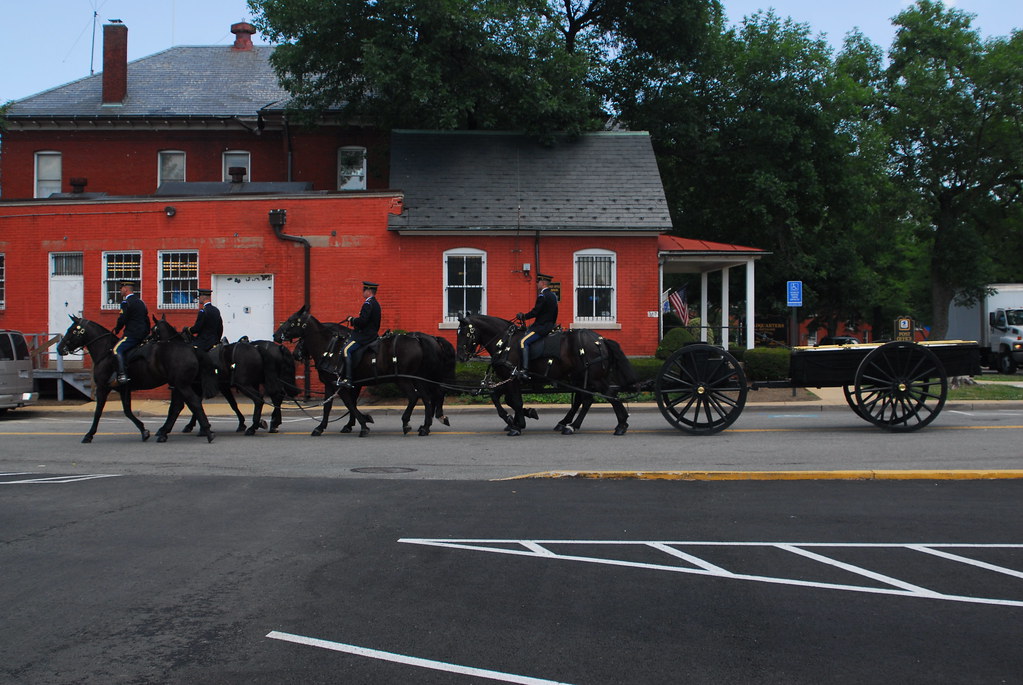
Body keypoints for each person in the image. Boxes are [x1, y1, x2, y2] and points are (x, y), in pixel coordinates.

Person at [340, 281, 381, 388]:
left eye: (364, 290)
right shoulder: (375, 303)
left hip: (365, 336)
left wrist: (352, 320)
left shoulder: (368, 304)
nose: (362, 292)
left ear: (368, 291)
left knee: (345, 350)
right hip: (371, 334)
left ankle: (348, 379)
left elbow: (363, 321)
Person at [516, 273, 558, 379]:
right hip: (548, 326)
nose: (537, 284)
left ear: (543, 283)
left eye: (538, 282)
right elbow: (555, 313)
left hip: (541, 327)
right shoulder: (553, 296)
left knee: (523, 342)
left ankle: (525, 370)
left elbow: (536, 312)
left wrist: (523, 316)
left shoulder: (542, 296)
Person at [112, 281, 149, 384]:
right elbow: (146, 319)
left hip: (132, 334)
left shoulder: (126, 303)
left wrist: (117, 329)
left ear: (125, 289)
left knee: (116, 350)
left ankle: (122, 374)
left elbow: (122, 319)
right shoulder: (141, 302)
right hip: (143, 334)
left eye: (121, 288)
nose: (120, 290)